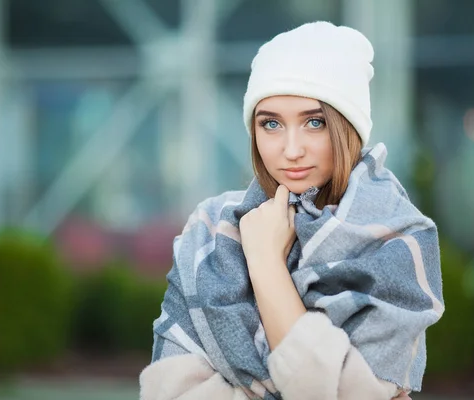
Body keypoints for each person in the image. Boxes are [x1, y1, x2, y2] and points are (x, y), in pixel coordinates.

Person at [139, 21, 444, 400]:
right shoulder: (210, 229)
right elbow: (169, 388)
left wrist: (266, 262)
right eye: (271, 124)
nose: (292, 148)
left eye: (314, 122)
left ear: (347, 127)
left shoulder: (397, 240)